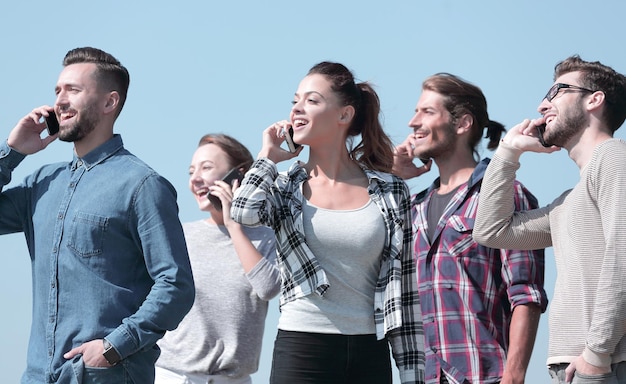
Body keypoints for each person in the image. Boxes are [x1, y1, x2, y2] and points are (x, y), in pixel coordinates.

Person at [0, 47, 195, 383]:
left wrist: (113, 347)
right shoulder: (41, 184)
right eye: (57, 91)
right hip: (37, 376)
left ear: (109, 103)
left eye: (73, 90)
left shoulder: (142, 185)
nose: (60, 100)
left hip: (106, 375)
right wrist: (12, 152)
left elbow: (176, 285)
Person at [231, 61, 426, 384]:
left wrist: (412, 374)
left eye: (311, 100)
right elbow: (244, 213)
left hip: (370, 349)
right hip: (303, 345)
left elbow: (404, 290)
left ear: (344, 115)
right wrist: (267, 156)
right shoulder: (284, 186)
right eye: (295, 101)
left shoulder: (390, 190)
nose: (297, 109)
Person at [473, 56, 626, 384]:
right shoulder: (567, 202)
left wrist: (596, 353)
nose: (543, 104)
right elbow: (490, 231)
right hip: (576, 364)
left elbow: (624, 257)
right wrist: (509, 152)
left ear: (594, 99)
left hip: (607, 362)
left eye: (557, 91)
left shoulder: (614, 157)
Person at [392, 73, 548, 384]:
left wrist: (514, 377)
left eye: (427, 112)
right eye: (415, 111)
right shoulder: (410, 208)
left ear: (463, 123)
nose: (412, 122)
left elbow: (526, 294)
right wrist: (390, 173)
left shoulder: (505, 194)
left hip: (484, 376)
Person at [155, 133, 281, 384]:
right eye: (191, 171)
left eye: (207, 168)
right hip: (172, 376)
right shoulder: (179, 236)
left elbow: (268, 288)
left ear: (238, 175)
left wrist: (233, 226)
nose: (195, 178)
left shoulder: (265, 238)